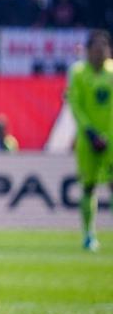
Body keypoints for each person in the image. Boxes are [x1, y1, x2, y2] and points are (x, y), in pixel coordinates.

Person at [67, 30, 113, 252]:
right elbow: (75, 105)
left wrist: (107, 135)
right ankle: (88, 234)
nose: (100, 54)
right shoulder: (78, 73)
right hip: (87, 140)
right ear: (88, 51)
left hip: (111, 139)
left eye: (104, 50)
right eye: (96, 50)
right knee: (88, 186)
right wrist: (91, 133)